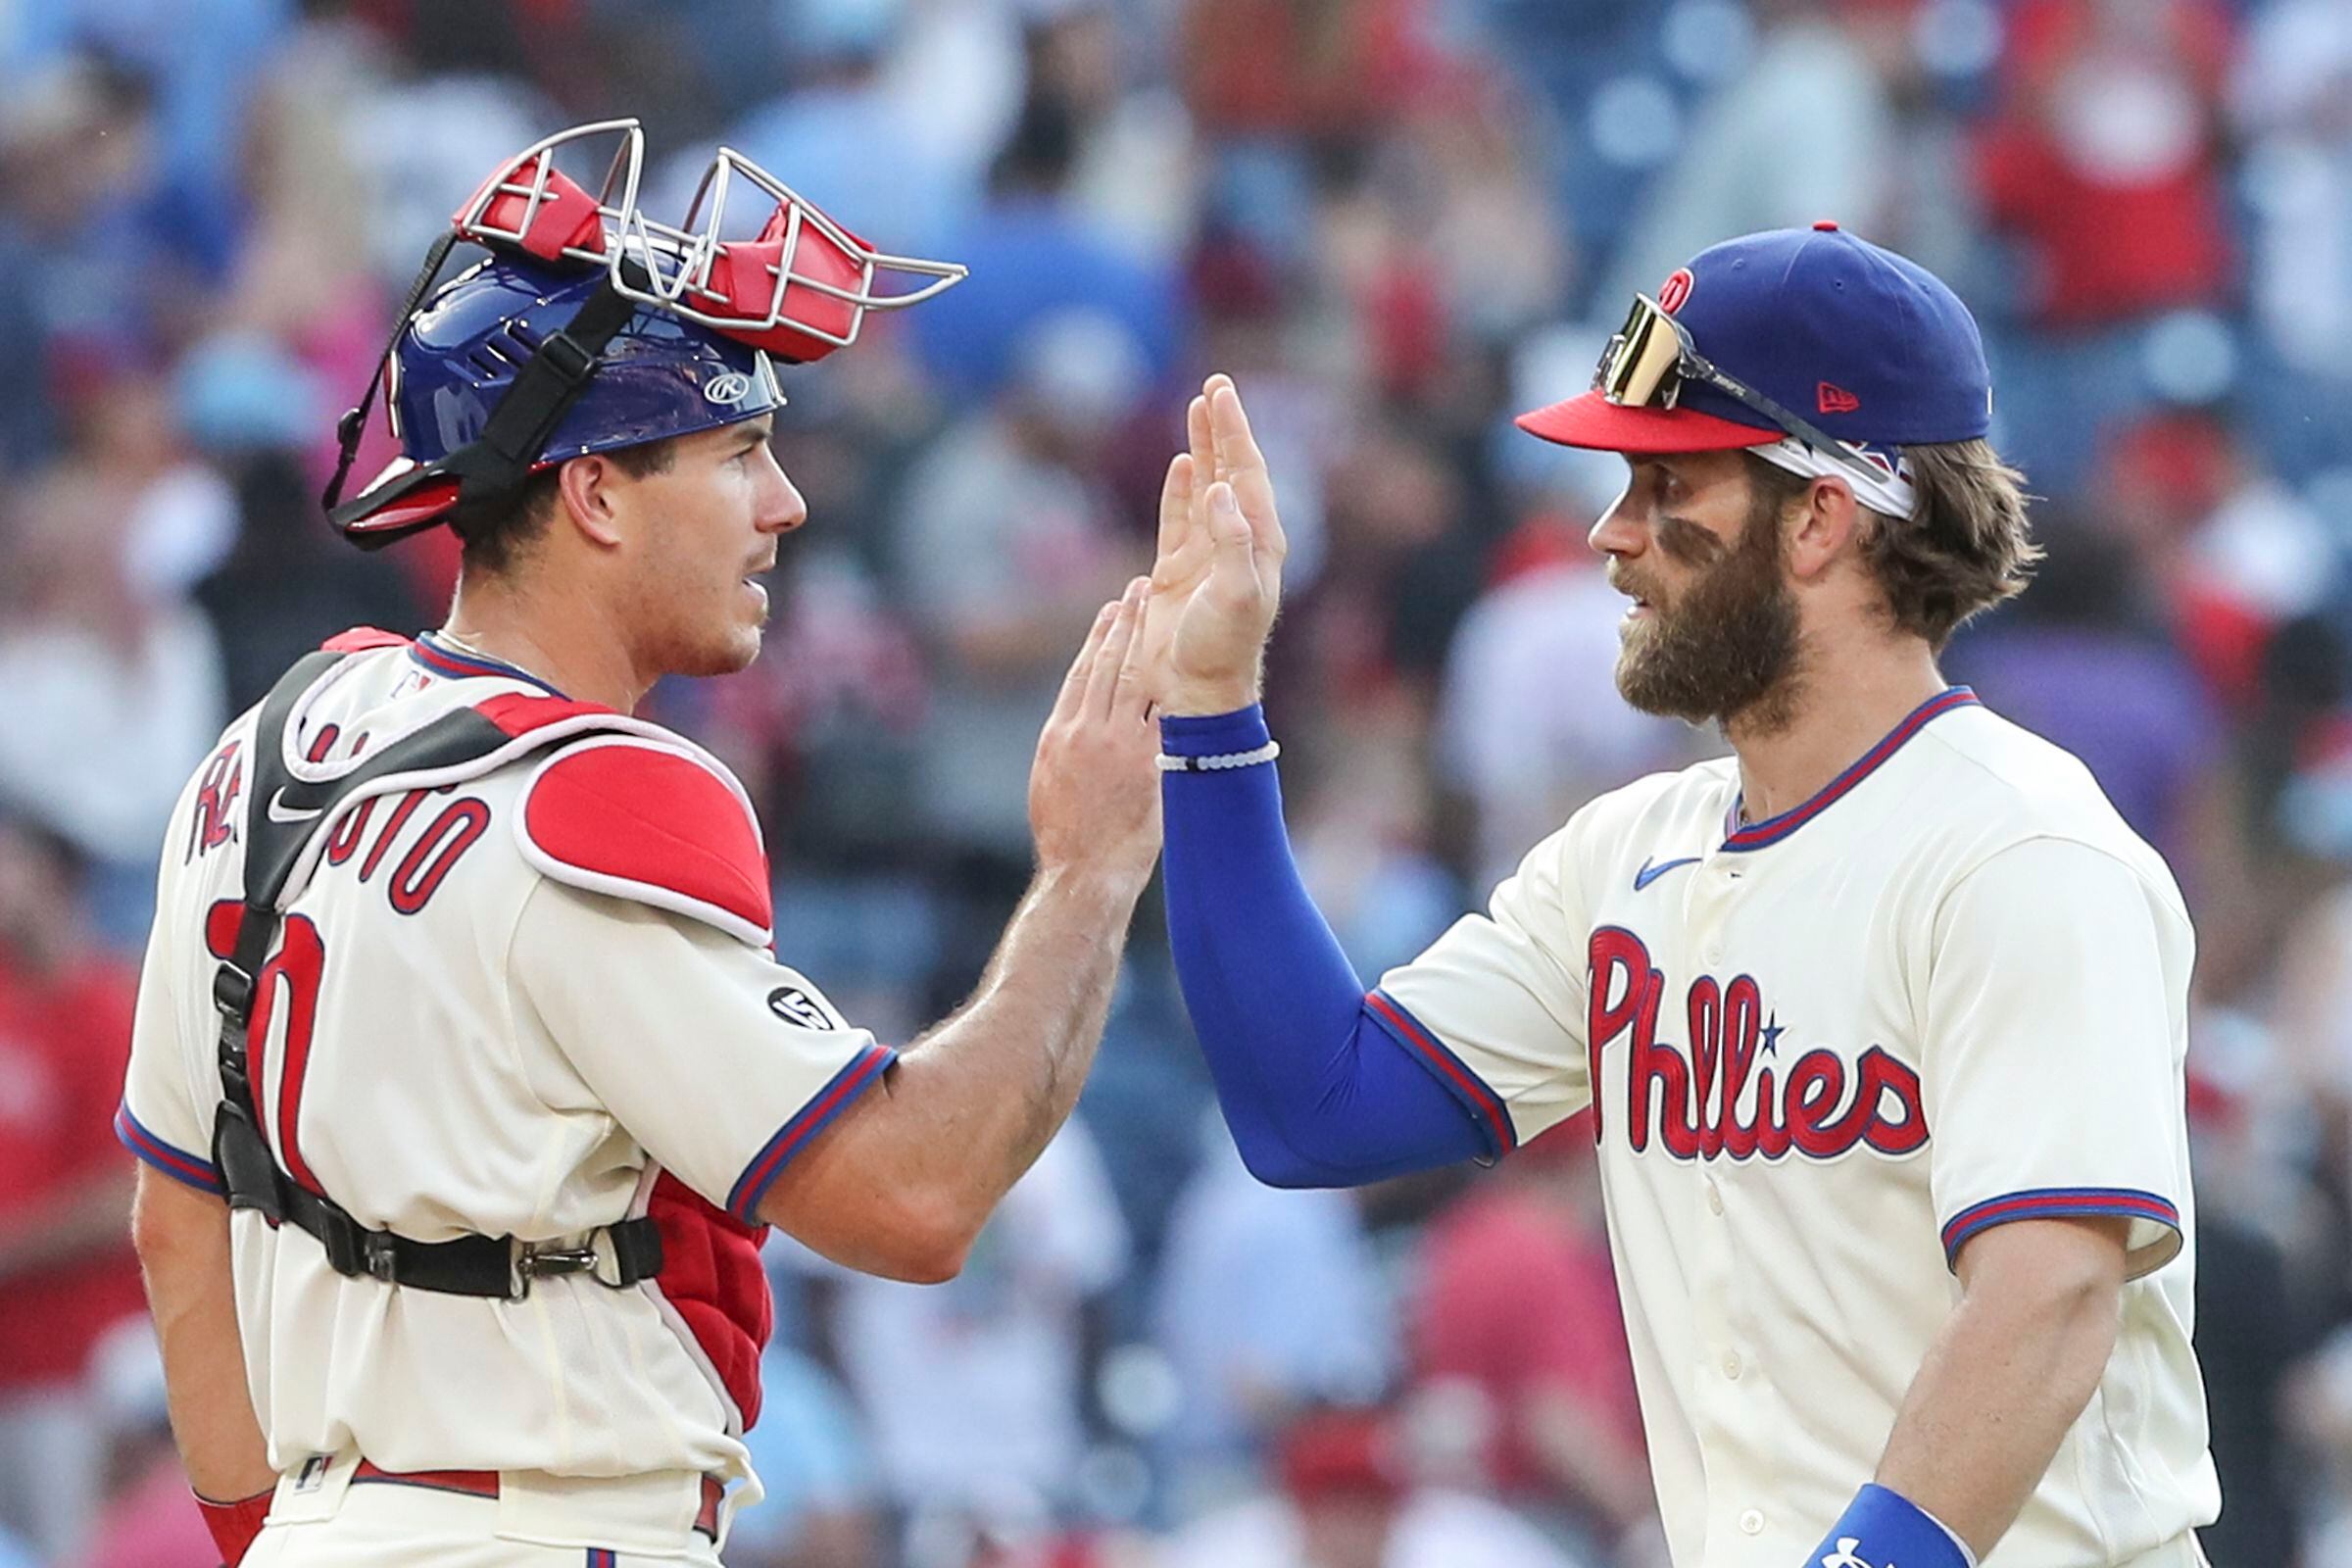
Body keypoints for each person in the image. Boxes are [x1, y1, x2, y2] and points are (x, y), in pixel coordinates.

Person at [116, 120, 1164, 1568]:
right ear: (595, 491)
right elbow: (916, 1198)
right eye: (741, 452)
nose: (786, 505)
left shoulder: (266, 742)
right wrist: (1092, 869)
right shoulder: (602, 788)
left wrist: (276, 1541)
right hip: (554, 1532)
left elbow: (179, 1227)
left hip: (326, 1528)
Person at [1142, 224, 2218, 1567]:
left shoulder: (2020, 852)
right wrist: (1212, 706)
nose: (1612, 535)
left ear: (1820, 516)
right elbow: (1314, 1109)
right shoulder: (1627, 855)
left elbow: (2048, 1298)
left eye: (1665, 485)